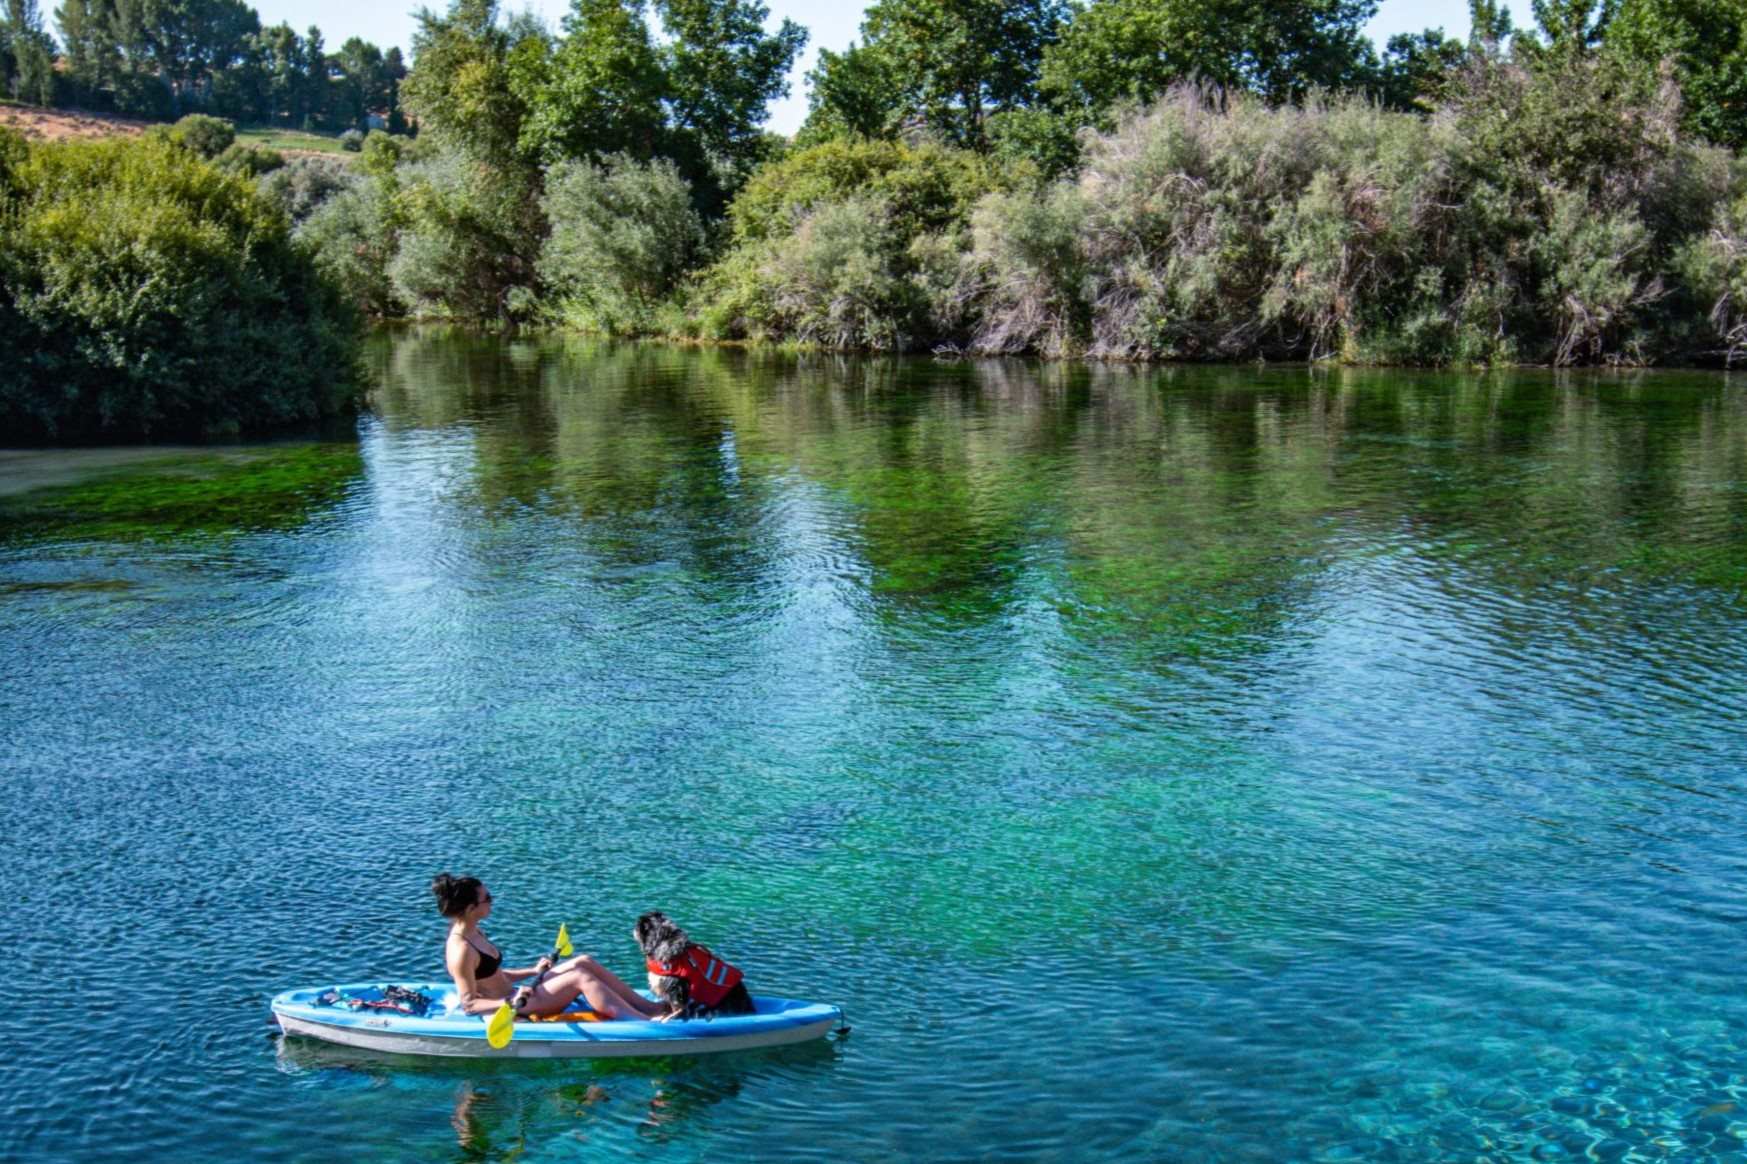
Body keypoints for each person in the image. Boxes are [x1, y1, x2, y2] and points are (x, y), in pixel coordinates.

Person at [430, 873, 665, 1021]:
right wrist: (510, 1002)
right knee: (580, 977)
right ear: (471, 908)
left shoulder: (475, 930)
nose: (492, 901)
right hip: (513, 1006)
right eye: (487, 898)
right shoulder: (461, 949)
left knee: (583, 961)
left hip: (518, 994)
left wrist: (534, 971)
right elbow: (469, 1004)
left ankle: (648, 1007)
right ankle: (643, 1023)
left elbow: (495, 976)